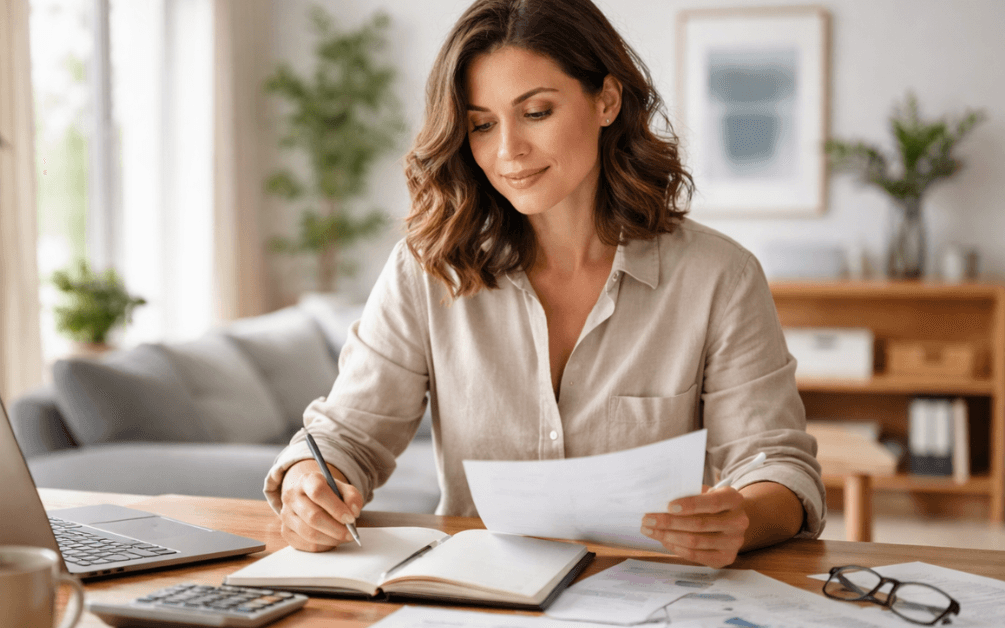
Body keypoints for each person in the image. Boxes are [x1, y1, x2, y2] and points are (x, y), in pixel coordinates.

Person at [264, 0, 824, 569]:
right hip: (479, 600)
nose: (508, 151)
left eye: (535, 112)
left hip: (650, 599)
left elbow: (777, 467)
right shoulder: (428, 268)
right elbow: (346, 439)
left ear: (606, 100)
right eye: (482, 124)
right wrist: (310, 486)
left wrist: (741, 519)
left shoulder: (718, 276)